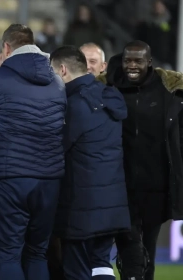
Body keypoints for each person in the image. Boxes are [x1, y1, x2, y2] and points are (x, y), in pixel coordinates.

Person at [0, 24, 66, 280]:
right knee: (37, 253)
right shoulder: (56, 81)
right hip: (50, 179)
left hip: (10, 179)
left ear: (7, 47)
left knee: (8, 254)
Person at [97, 40, 183, 280]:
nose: (131, 65)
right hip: (119, 186)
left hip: (156, 187)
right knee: (132, 251)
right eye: (127, 60)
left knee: (148, 251)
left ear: (150, 62)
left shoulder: (170, 92)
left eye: (138, 60)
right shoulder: (107, 89)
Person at [50, 45, 130, 280]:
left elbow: (57, 149)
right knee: (101, 263)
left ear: (63, 70)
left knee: (77, 270)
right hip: (111, 202)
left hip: (81, 204)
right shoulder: (110, 96)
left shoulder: (72, 105)